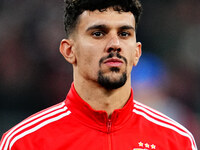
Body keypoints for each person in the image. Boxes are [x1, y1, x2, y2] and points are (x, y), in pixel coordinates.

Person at [0, 0, 198, 149]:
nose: (115, 44)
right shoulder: (26, 142)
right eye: (98, 33)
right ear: (69, 50)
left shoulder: (177, 141)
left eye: (124, 34)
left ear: (137, 52)